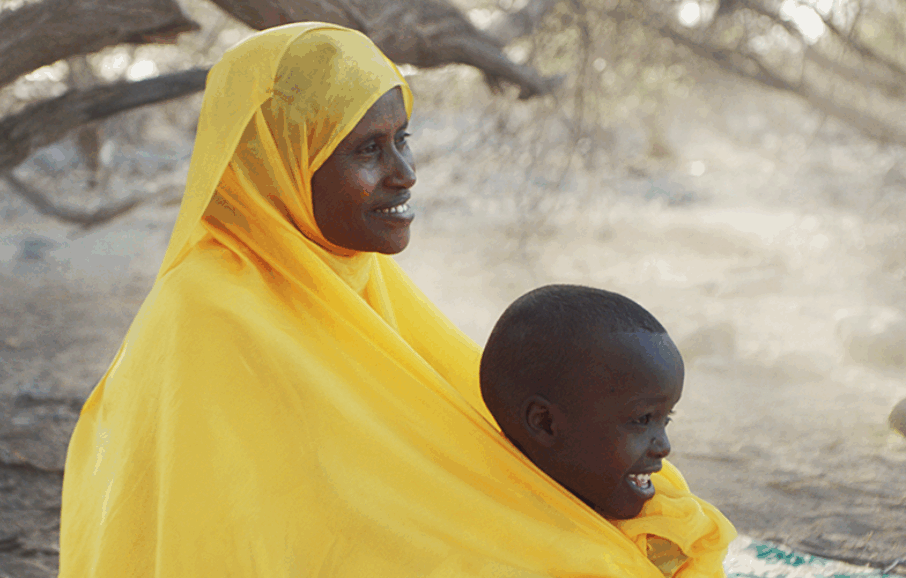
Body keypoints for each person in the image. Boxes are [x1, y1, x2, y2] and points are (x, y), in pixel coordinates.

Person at [58, 23, 735, 577]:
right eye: (368, 149)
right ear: (282, 161)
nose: (405, 173)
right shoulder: (209, 310)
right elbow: (261, 532)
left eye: (402, 139)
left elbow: (449, 441)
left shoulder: (349, 272)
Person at [480, 284, 737, 577]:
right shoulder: (500, 550)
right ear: (545, 423)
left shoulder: (665, 530)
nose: (664, 446)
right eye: (642, 419)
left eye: (665, 420)